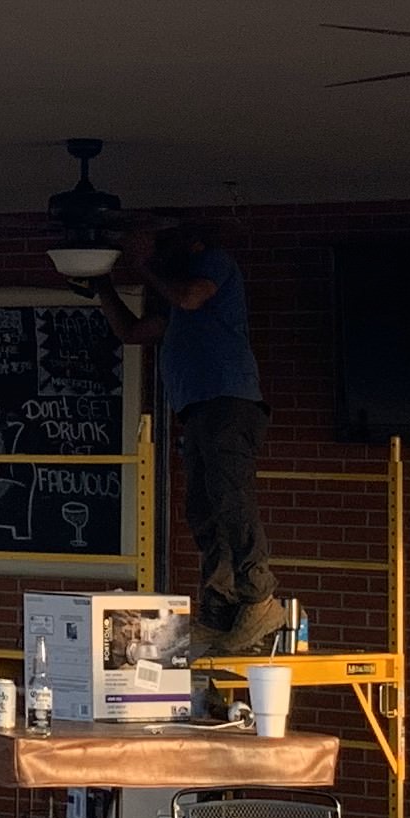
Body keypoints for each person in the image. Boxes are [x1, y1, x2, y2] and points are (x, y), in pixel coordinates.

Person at [99, 221, 278, 652]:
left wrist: (143, 265)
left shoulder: (213, 265)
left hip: (228, 402)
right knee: (204, 509)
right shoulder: (176, 303)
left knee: (230, 499)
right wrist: (102, 286)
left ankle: (259, 596)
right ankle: (220, 609)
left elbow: (190, 296)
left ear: (190, 245)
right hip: (199, 410)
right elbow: (133, 333)